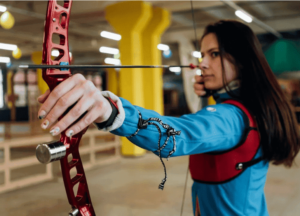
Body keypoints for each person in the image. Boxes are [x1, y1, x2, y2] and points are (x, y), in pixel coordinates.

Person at [37, 20, 300, 216]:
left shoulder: (231, 118)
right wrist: (216, 94)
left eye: (215, 54)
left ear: (242, 61)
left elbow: (179, 134)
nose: (203, 64)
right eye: (203, 55)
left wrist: (112, 112)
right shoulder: (250, 107)